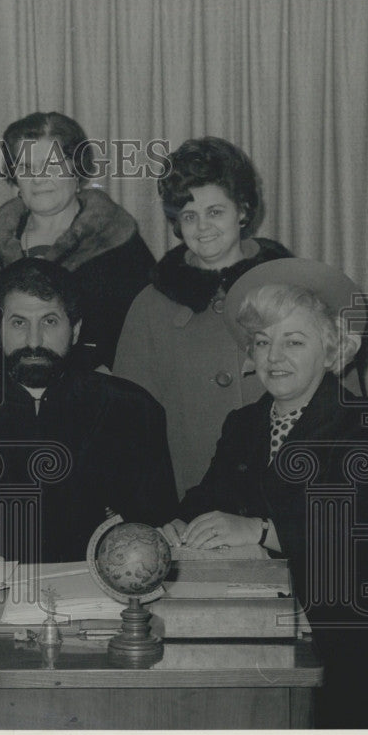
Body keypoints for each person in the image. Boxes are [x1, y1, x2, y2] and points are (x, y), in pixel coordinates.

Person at [160, 258, 368, 728]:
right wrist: (180, 522)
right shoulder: (244, 424)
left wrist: (260, 529)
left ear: (332, 350)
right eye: (262, 342)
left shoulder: (362, 425)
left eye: (294, 341)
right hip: (254, 619)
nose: (273, 356)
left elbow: (359, 528)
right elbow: (211, 493)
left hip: (341, 634)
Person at [0, 258, 178, 564]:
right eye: (18, 323)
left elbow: (157, 532)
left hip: (99, 599)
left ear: (75, 330)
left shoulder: (131, 411)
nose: (34, 341)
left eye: (49, 322)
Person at [114, 136, 292, 494]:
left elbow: (337, 407)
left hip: (288, 498)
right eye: (189, 216)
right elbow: (130, 424)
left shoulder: (294, 287)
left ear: (242, 210)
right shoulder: (150, 306)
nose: (203, 227)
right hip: (193, 499)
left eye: (215, 212)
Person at [0, 111, 155, 370]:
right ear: (14, 178)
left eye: (52, 165)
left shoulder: (118, 244)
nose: (38, 178)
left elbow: (144, 338)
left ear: (77, 170)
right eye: (26, 167)